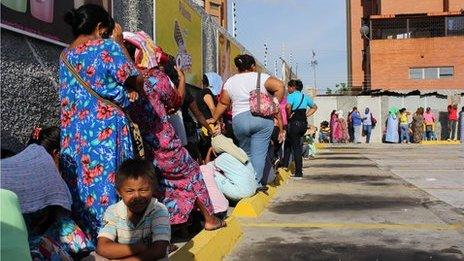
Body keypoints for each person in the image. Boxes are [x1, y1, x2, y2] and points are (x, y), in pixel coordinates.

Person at [123, 32, 225, 231]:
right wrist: (181, 80)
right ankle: (210, 219)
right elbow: (175, 103)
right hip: (165, 142)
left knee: (160, 186)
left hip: (141, 145)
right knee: (193, 174)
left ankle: (164, 230)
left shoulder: (125, 81)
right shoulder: (154, 77)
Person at [59, 4, 144, 241]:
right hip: (105, 130)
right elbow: (136, 80)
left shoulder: (64, 55)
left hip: (73, 133)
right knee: (112, 180)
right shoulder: (107, 46)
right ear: (99, 28)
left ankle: (88, 239)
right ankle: (113, 239)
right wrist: (117, 42)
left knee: (79, 186)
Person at [1, 127, 94, 259]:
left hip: (20, 239)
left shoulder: (25, 161)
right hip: (27, 245)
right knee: (65, 225)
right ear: (56, 153)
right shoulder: (46, 168)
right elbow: (60, 214)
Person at [209, 54, 285, 185]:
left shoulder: (230, 81)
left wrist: (214, 118)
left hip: (239, 120)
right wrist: (274, 103)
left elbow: (223, 103)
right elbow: (280, 86)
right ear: (253, 66)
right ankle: (256, 184)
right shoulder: (262, 77)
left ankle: (245, 181)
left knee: (246, 154)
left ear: (237, 67)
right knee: (259, 154)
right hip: (261, 119)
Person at [95, 159, 170, 260]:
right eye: (130, 191)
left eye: (143, 190)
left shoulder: (158, 210)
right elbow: (103, 248)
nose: (137, 197)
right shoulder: (113, 211)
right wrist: (139, 247)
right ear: (119, 192)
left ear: (153, 188)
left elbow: (158, 250)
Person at [283, 79, 318, 178]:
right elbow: (314, 107)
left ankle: (298, 172)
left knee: (296, 148)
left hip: (294, 124)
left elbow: (288, 106)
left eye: (289, 87)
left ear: (293, 87)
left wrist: (289, 115)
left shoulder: (291, 96)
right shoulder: (305, 97)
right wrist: (306, 115)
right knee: (289, 142)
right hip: (303, 124)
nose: (288, 89)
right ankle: (285, 164)